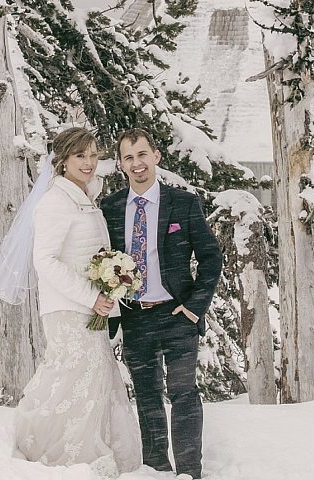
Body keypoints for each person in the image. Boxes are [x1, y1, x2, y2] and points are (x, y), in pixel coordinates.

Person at [13, 127, 141, 478]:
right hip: (69, 309)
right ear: (63, 160)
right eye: (80, 156)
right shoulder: (55, 201)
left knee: (93, 379)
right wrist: (92, 295)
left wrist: (110, 284)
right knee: (69, 378)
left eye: (93, 154)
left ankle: (98, 454)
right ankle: (54, 452)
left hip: (90, 310)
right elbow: (46, 261)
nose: (88, 162)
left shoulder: (84, 196)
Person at [101, 128, 223, 480]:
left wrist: (194, 307)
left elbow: (211, 257)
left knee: (184, 392)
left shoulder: (182, 203)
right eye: (128, 158)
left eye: (142, 155)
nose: (137, 163)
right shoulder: (110, 208)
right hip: (135, 317)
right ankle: (156, 470)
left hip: (176, 313)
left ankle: (190, 472)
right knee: (147, 395)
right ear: (121, 165)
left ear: (156, 156)